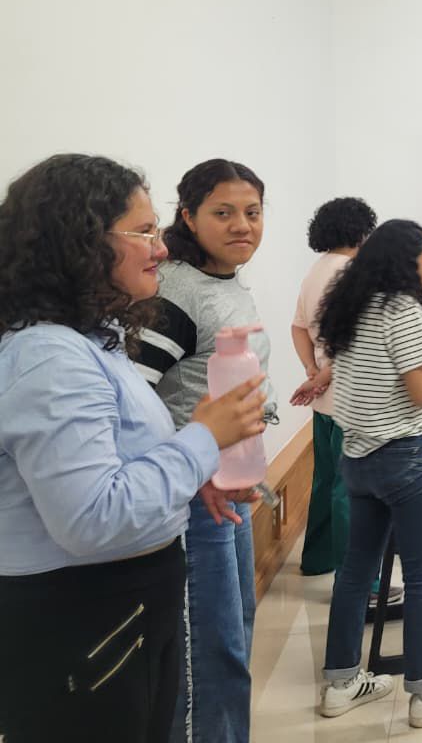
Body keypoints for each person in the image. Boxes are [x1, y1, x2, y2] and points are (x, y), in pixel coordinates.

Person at [0, 155, 266, 743]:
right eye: (143, 232)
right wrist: (203, 439)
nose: (161, 247)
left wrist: (194, 470)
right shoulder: (49, 357)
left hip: (118, 608)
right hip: (86, 619)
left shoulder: (89, 341)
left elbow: (114, 456)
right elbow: (91, 517)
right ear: (82, 242)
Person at [315, 219, 422, 728]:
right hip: (405, 457)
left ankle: (341, 683)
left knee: (355, 572)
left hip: (358, 458)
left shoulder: (348, 307)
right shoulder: (402, 308)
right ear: (404, 263)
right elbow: (421, 392)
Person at [133, 159, 275, 743]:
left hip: (228, 485)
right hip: (195, 496)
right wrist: (193, 469)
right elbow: (134, 402)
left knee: (232, 636)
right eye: (223, 212)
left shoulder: (224, 280)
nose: (242, 225)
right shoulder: (176, 293)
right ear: (189, 217)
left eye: (253, 212)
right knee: (206, 659)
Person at [289, 196, 392, 602]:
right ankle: (359, 584)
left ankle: (316, 559)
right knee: (350, 490)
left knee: (325, 481)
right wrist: (325, 375)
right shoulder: (355, 275)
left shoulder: (315, 271)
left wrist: (312, 371)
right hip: (352, 398)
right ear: (362, 231)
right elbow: (355, 340)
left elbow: (299, 328)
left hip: (325, 401)